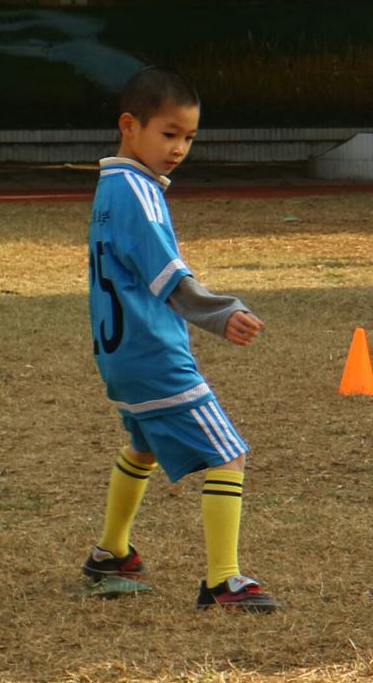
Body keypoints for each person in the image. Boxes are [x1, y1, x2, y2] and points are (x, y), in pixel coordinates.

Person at [81, 67, 280, 612]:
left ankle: (110, 555)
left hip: (119, 353)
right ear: (129, 125)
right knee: (228, 455)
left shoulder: (110, 186)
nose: (179, 149)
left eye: (189, 138)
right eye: (169, 134)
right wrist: (220, 314)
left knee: (144, 447)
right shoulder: (137, 191)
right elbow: (166, 272)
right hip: (152, 353)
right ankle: (223, 581)